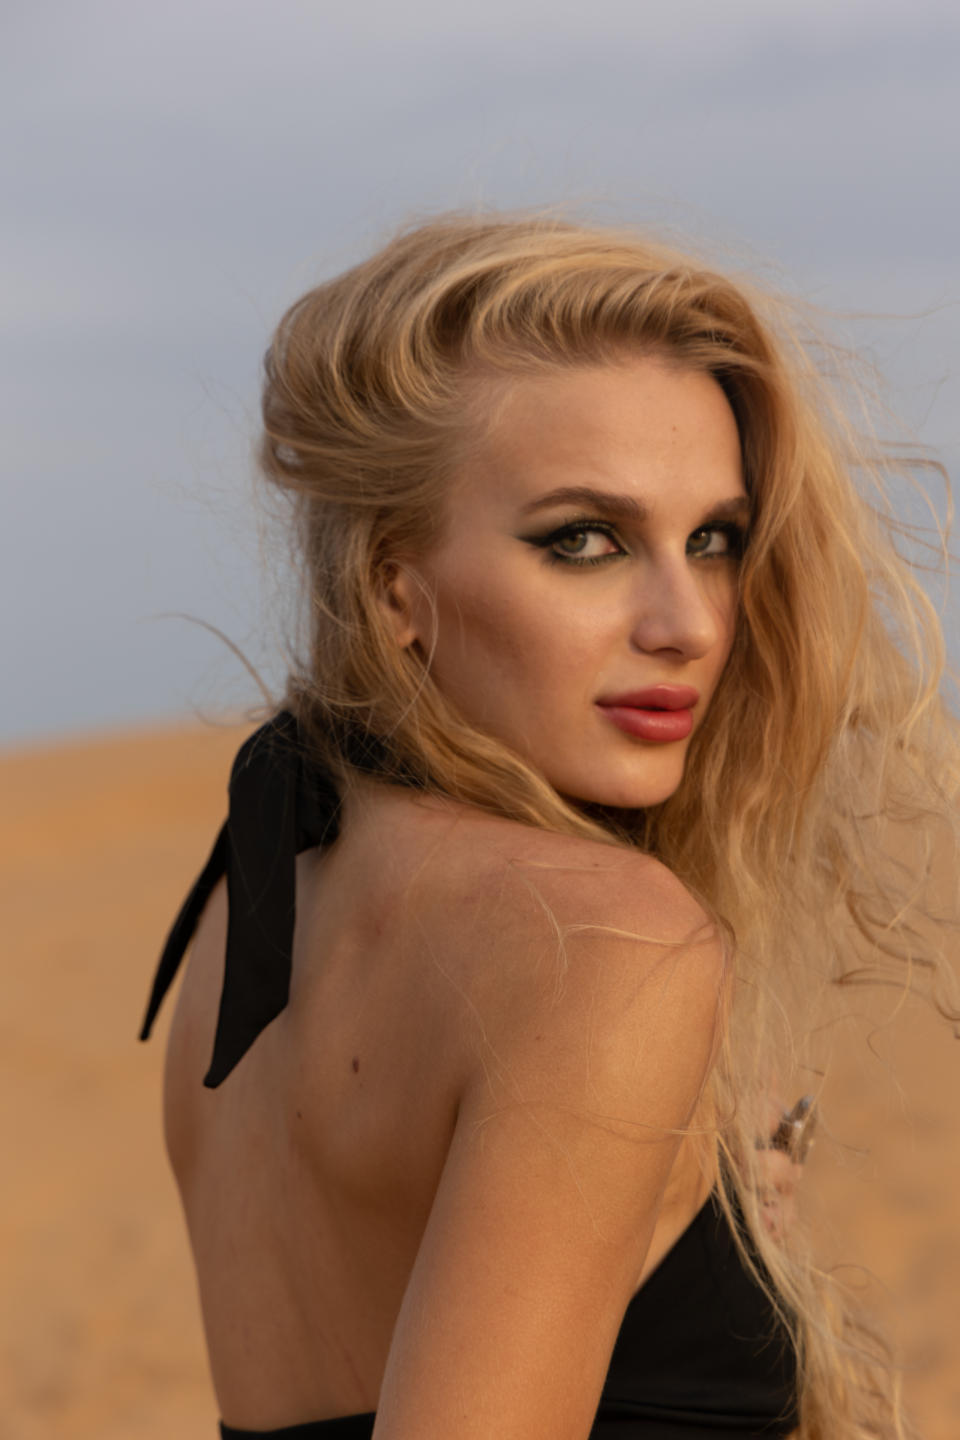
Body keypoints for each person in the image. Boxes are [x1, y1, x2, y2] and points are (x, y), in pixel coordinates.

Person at [141, 210, 960, 1440]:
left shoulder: (235, 925)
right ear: (392, 585)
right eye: (584, 540)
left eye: (714, 540)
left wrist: (698, 1244)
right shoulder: (603, 946)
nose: (690, 622)